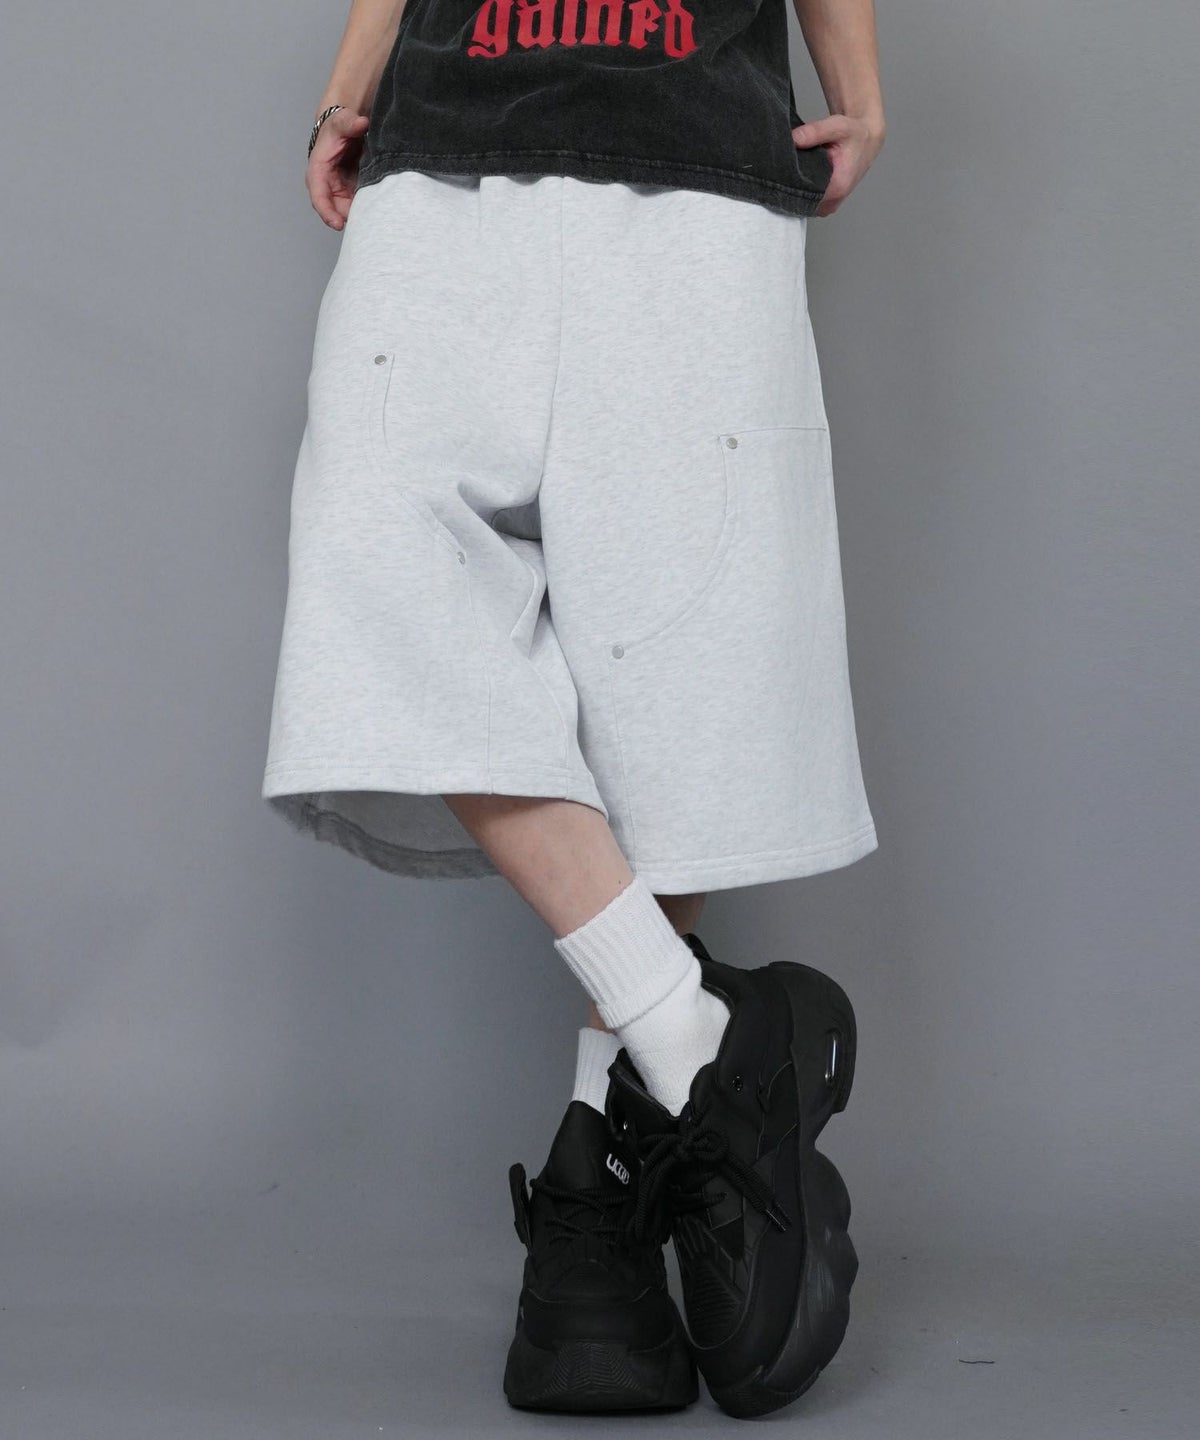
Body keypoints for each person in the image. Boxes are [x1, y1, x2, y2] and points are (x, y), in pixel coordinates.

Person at [262, 0, 885, 1417]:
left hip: (690, 167)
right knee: (381, 573)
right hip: (449, 158)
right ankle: (697, 1047)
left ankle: (595, 1201)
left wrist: (856, 83)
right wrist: (349, 92)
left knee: (673, 670)